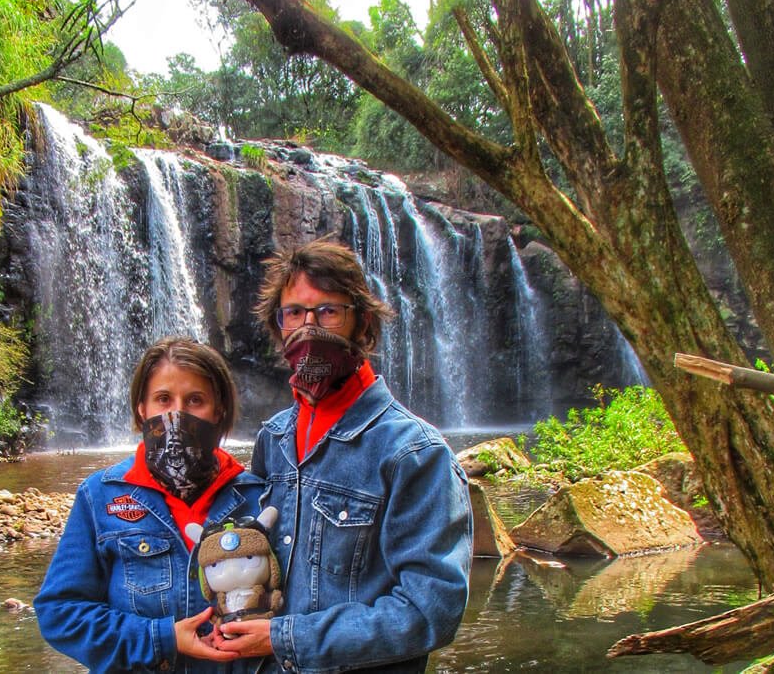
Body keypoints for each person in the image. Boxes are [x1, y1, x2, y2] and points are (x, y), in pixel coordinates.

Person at [217, 239, 474, 672]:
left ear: (363, 323)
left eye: (328, 312)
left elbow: (431, 611)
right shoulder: (273, 439)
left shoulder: (414, 453)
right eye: (294, 313)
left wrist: (284, 638)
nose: (308, 328)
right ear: (278, 326)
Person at [35, 337, 264, 673]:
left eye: (195, 400)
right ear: (142, 408)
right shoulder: (100, 495)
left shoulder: (260, 497)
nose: (177, 413)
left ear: (219, 410)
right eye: (163, 399)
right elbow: (60, 612)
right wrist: (161, 638)